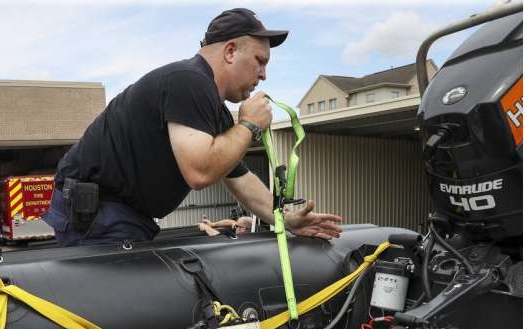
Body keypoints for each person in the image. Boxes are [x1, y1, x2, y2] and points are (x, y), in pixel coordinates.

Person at [43, 7, 342, 247]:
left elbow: (241, 179)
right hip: (100, 213)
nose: (263, 74)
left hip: (120, 214)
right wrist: (249, 124)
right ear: (230, 51)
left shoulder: (208, 102)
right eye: (259, 61)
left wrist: (285, 220)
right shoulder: (189, 81)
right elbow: (199, 172)